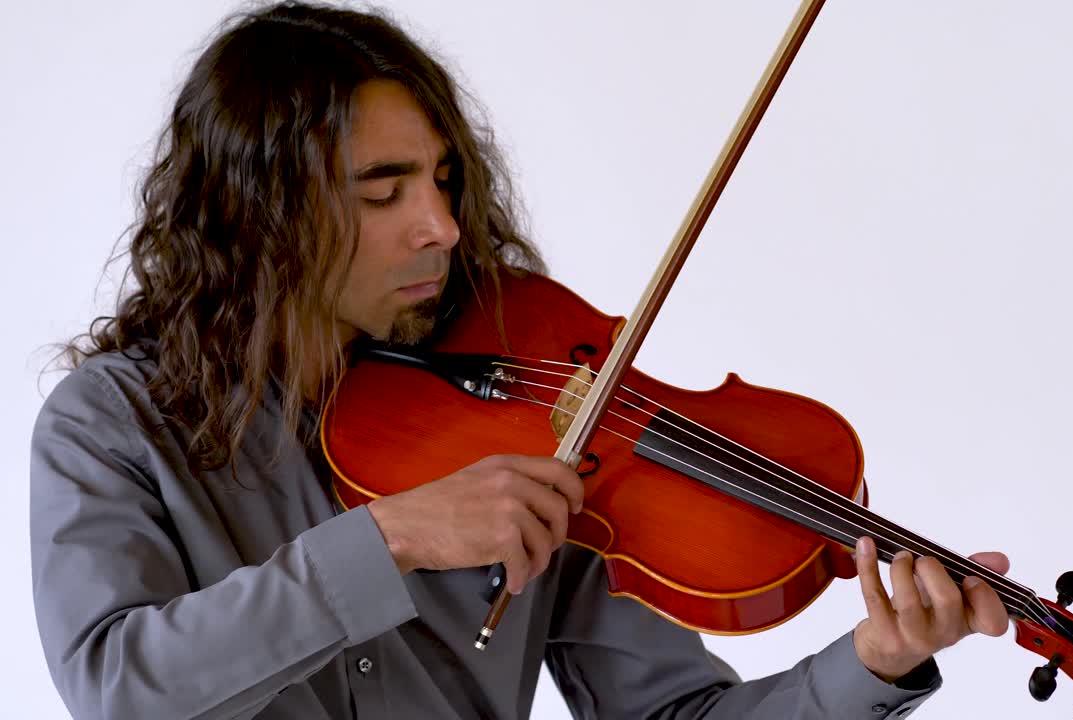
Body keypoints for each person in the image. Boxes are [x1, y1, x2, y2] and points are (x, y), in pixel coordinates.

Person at [29, 3, 1011, 718]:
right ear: (259, 213)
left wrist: (874, 664)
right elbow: (120, 688)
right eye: (384, 192)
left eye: (444, 180)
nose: (443, 228)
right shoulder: (110, 426)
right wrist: (393, 539)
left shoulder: (531, 419)